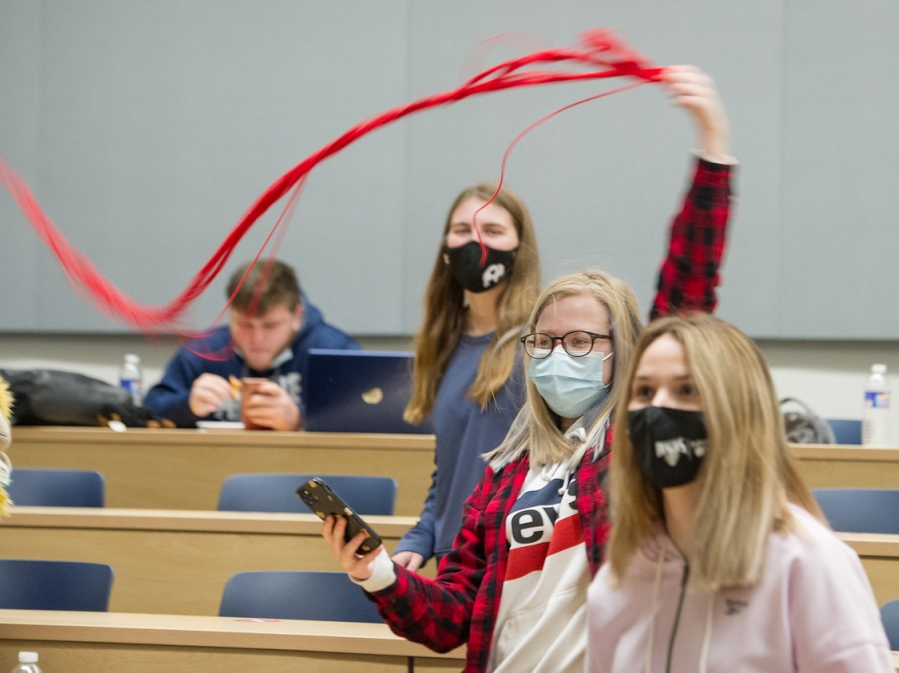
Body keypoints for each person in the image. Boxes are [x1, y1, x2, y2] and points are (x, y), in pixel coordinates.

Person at [323, 65, 736, 673]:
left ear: (623, 352)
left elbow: (688, 288)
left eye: (579, 340)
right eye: (542, 343)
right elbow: (453, 619)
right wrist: (379, 574)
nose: (555, 356)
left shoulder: (632, 447)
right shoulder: (503, 474)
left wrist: (712, 144)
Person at [587, 314, 894, 672]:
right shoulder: (620, 578)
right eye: (644, 392)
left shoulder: (807, 562)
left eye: (687, 390)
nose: (658, 408)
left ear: (737, 411)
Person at [392, 181, 541, 570]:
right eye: (462, 231)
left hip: (516, 560)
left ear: (519, 248)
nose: (476, 243)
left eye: (492, 231)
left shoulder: (543, 343)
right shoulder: (444, 344)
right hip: (454, 562)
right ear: (446, 248)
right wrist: (424, 533)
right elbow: (455, 466)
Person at [144, 259, 359, 429]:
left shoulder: (332, 350)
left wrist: (299, 419)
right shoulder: (205, 351)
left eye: (270, 326)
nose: (256, 339)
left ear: (297, 316)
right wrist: (186, 405)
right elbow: (146, 411)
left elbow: (369, 414)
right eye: (245, 325)